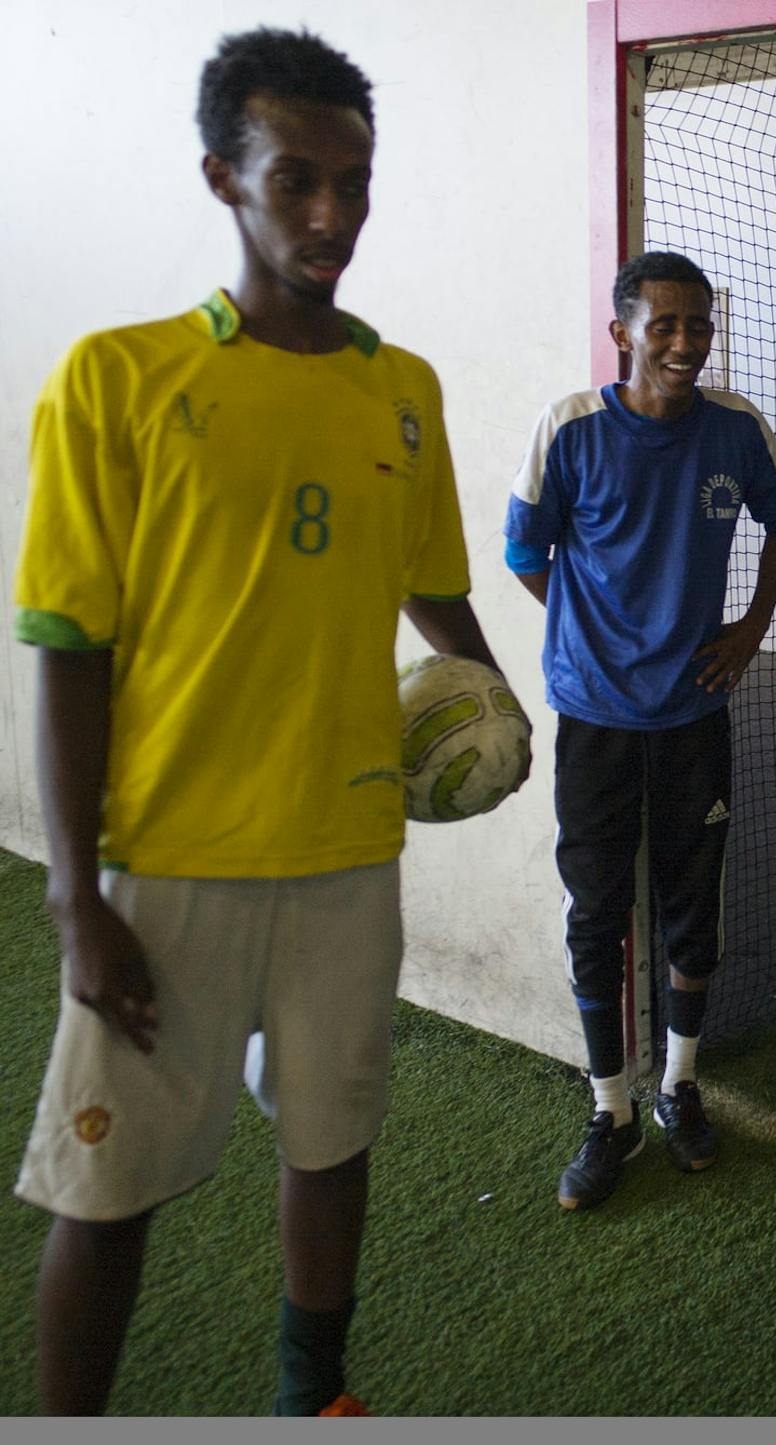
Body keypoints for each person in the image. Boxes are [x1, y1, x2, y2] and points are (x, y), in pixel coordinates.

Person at [12, 27, 515, 1415]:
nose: (330, 216)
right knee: (109, 1189)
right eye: (294, 179)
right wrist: (73, 891)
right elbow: (69, 649)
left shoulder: (399, 393)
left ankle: (314, 1395)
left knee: (330, 1142)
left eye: (354, 182)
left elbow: (434, 593)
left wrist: (496, 703)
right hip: (172, 862)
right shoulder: (118, 381)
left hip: (351, 849)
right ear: (222, 179)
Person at [504, 250, 776, 1211]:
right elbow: (523, 551)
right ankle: (610, 1110)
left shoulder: (737, 429)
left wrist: (750, 629)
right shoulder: (571, 427)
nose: (684, 342)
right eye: (664, 324)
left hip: (693, 717)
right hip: (592, 718)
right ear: (622, 331)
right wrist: (590, 638)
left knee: (691, 902)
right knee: (595, 908)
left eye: (700, 324)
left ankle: (677, 1085)